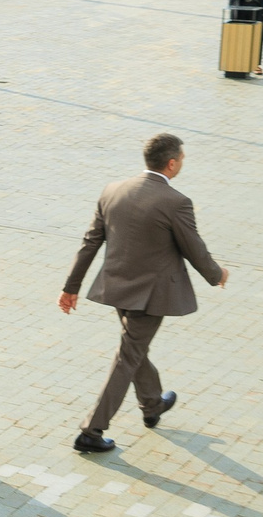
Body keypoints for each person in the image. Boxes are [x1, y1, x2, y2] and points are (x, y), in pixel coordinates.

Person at [58, 132, 227, 454]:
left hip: (116, 288)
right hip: (150, 297)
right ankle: (91, 430)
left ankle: (152, 404)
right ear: (172, 163)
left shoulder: (113, 191)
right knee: (128, 356)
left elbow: (91, 242)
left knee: (134, 348)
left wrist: (71, 288)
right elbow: (194, 249)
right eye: (183, 159)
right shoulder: (176, 202)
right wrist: (217, 274)